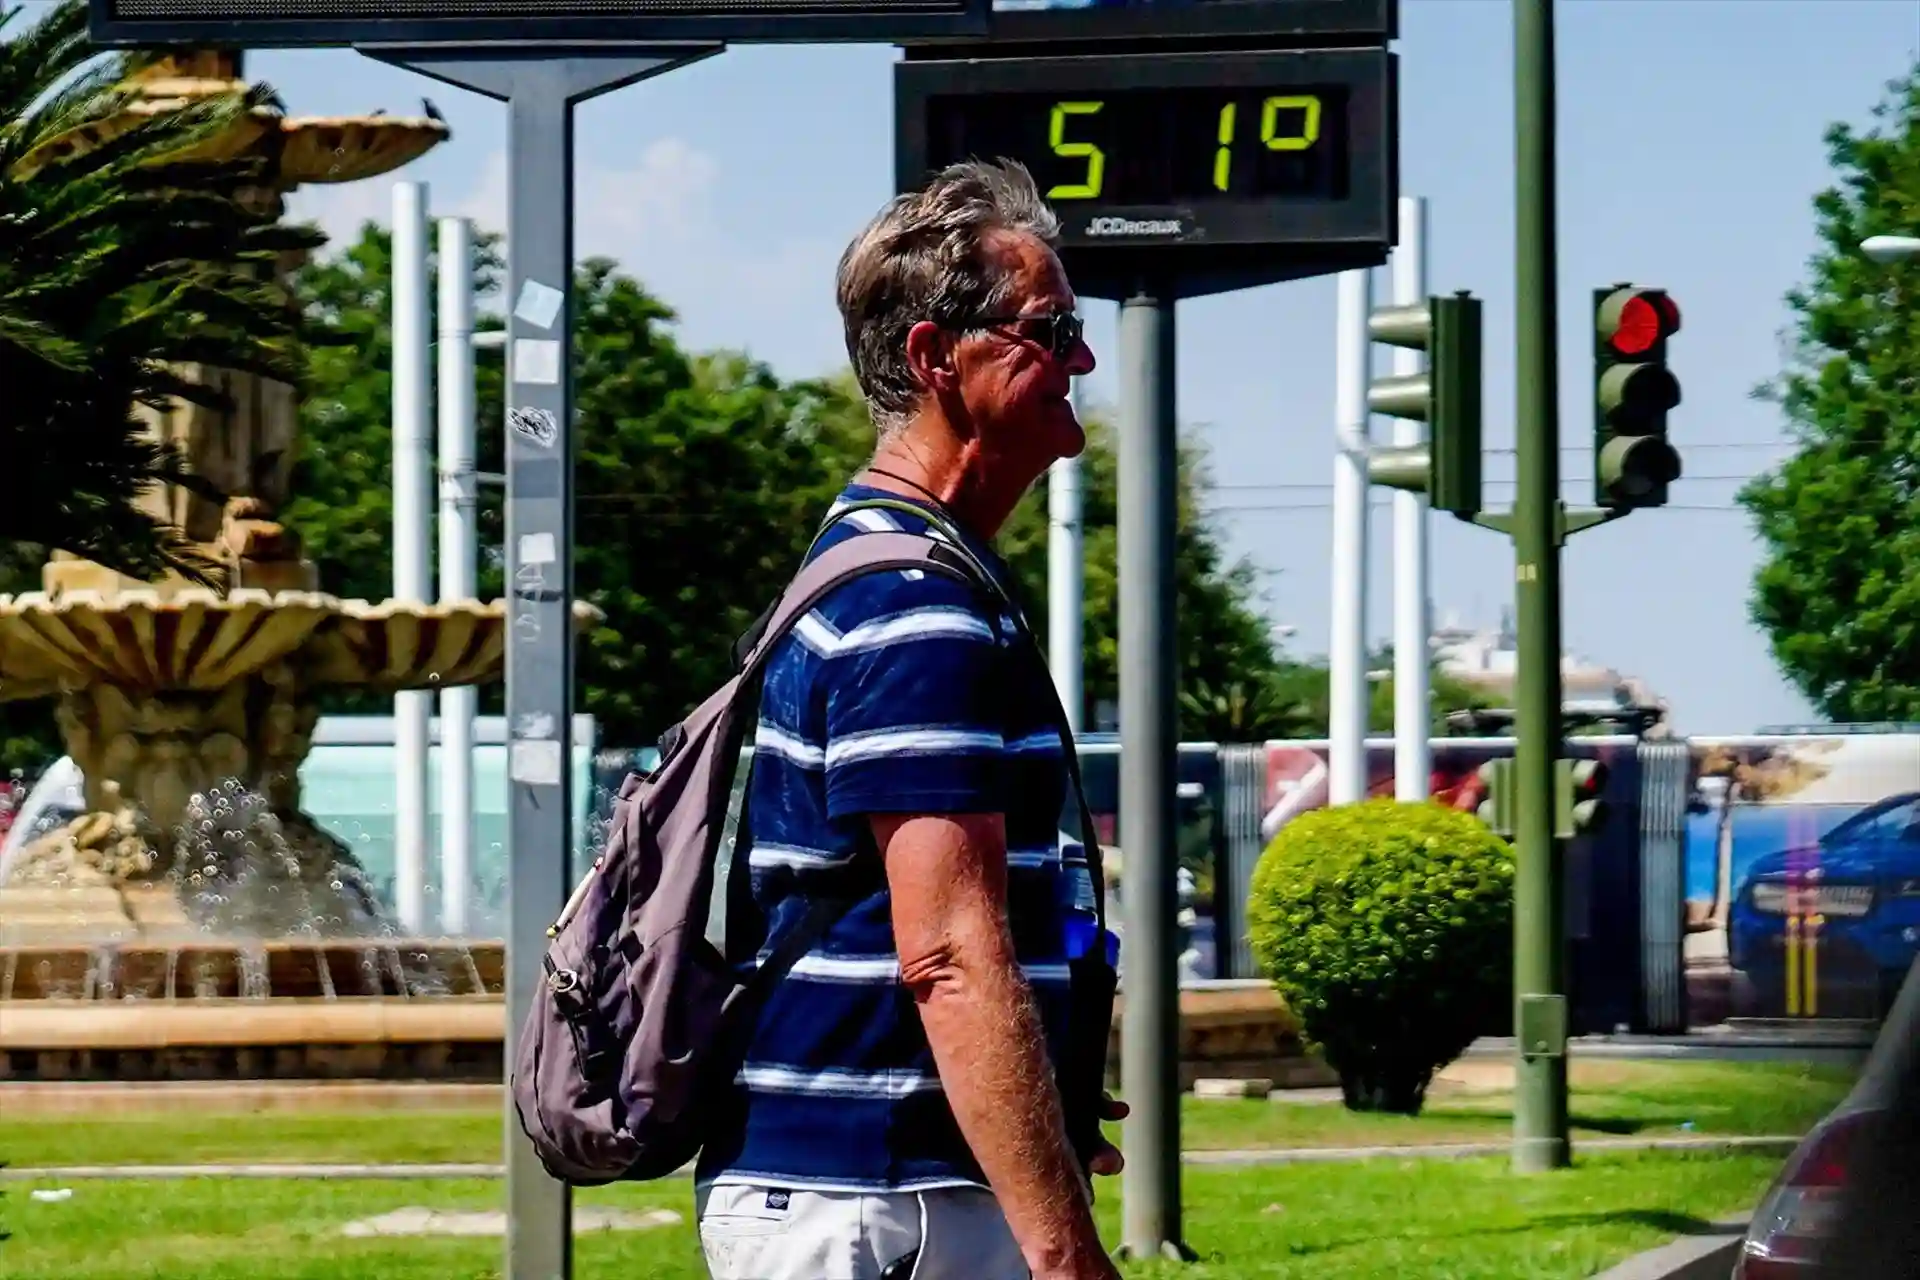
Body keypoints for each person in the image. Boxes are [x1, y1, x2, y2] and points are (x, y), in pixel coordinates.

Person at [691, 159, 1124, 1280]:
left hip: (890, 1191)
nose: (1081, 357)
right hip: (883, 1204)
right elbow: (950, 954)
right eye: (1051, 327)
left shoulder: (898, 572)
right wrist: (1068, 1251)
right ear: (938, 358)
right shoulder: (911, 608)